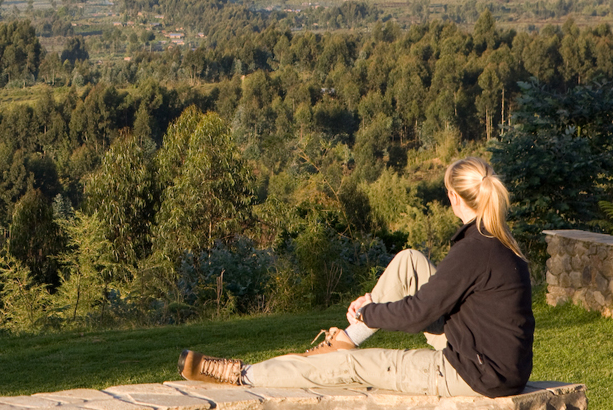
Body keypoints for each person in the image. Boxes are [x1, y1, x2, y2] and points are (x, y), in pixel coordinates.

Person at [176, 156, 534, 398]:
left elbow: (418, 314)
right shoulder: (498, 241)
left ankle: (243, 374)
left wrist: (369, 312)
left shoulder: (472, 251)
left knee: (348, 367)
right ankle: (346, 338)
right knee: (410, 261)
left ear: (454, 198)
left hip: (473, 374)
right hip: (488, 359)